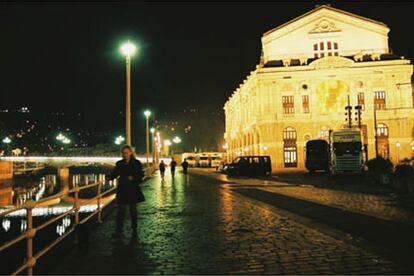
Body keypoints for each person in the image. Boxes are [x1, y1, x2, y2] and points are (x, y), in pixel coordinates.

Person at [109, 145, 145, 239]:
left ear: (130, 153)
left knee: (133, 210)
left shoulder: (136, 163)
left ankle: (134, 227)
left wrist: (133, 178)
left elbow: (140, 175)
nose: (124, 155)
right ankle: (118, 230)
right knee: (121, 211)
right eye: (123, 153)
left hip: (132, 188)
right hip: (123, 189)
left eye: (126, 153)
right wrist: (109, 177)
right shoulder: (119, 163)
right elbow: (115, 173)